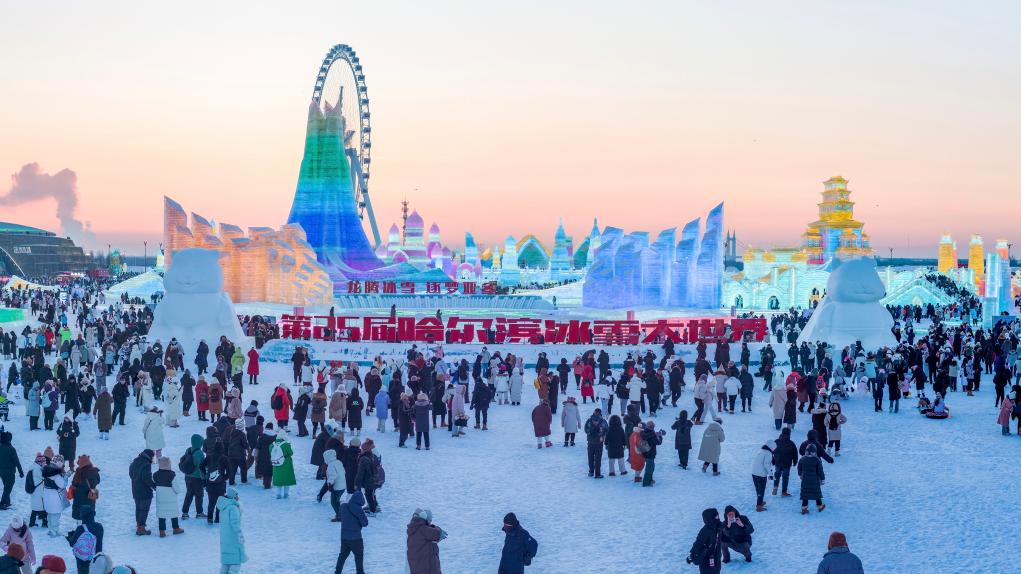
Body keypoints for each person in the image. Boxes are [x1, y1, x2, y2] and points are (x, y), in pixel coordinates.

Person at [335, 490, 367, 574]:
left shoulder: (343, 506)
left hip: (344, 538)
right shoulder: (359, 510)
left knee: (342, 556)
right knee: (359, 556)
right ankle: (360, 572)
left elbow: (339, 517)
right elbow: (365, 523)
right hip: (356, 538)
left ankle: (337, 572)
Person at [217, 487, 247, 574]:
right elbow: (235, 523)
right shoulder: (233, 508)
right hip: (233, 538)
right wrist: (240, 534)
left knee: (226, 562)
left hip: (224, 538)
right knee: (236, 562)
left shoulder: (224, 507)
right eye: (237, 495)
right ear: (233, 496)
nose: (238, 497)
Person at [406, 508, 445, 574]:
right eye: (429, 520)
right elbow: (437, 534)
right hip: (427, 570)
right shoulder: (423, 530)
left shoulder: (412, 531)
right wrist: (437, 528)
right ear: (424, 519)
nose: (430, 522)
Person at [65, 507, 102, 573]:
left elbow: (72, 543)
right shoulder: (99, 527)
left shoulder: (81, 528)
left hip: (82, 560)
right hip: (96, 558)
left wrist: (70, 537)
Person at [152, 457, 183, 537]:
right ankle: (176, 529)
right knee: (173, 513)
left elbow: (155, 485)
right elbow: (177, 489)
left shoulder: (155, 475)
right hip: (171, 497)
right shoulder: (172, 475)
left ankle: (162, 532)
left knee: (161, 514)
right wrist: (177, 491)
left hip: (160, 498)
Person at [128, 449, 155, 536]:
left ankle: (139, 525)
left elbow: (131, 474)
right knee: (144, 509)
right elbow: (147, 478)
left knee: (138, 508)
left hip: (135, 489)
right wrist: (155, 487)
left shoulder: (134, 462)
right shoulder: (146, 464)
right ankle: (141, 529)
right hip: (144, 491)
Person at [687, 508, 722, 574]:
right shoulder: (705, 531)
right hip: (706, 560)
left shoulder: (719, 526)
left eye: (718, 515)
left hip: (717, 557)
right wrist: (692, 555)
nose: (718, 517)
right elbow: (698, 543)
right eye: (716, 516)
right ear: (711, 518)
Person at [181, 434, 206, 519]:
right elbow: (200, 467)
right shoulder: (199, 453)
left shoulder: (188, 450)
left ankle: (185, 513)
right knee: (199, 495)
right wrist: (204, 479)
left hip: (187, 476)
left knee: (189, 494)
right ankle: (199, 513)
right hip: (197, 478)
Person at [797, 444, 826, 514]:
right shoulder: (816, 460)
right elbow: (820, 471)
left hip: (805, 480)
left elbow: (799, 468)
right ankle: (820, 506)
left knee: (805, 493)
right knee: (816, 493)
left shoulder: (802, 459)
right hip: (815, 480)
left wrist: (800, 474)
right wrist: (823, 478)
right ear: (814, 451)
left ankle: (804, 508)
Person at [772, 427, 798, 497]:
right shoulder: (791, 443)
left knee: (777, 474)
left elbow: (771, 452)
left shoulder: (776, 441)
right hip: (787, 463)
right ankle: (784, 492)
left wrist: (773, 460)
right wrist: (795, 461)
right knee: (785, 477)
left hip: (777, 462)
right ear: (789, 434)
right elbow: (795, 453)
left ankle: (775, 487)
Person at [270, 429, 296, 499]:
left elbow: (270, 452)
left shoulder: (272, 444)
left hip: (276, 463)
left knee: (278, 479)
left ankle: (278, 494)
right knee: (286, 479)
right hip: (286, 463)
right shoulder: (286, 444)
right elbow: (291, 453)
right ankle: (286, 494)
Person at [0, 432, 23, 510]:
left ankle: (7, 502)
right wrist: (20, 471)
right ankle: (2, 503)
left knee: (6, 487)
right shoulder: (11, 449)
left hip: (1, 472)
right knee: (8, 488)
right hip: (9, 472)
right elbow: (16, 461)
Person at [583, 408, 607, 478]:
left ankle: (591, 472)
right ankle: (597, 474)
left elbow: (586, 429)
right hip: (599, 442)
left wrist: (590, 433)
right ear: (600, 413)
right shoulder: (602, 421)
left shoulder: (589, 420)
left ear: (594, 412)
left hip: (590, 442)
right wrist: (601, 434)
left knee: (590, 457)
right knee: (598, 458)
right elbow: (606, 429)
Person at [639, 421, 664, 486]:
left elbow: (645, 437)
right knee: (650, 469)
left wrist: (655, 434)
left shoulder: (643, 432)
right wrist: (660, 436)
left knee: (650, 467)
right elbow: (658, 442)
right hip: (651, 454)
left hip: (645, 452)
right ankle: (646, 483)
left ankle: (650, 480)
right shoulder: (652, 434)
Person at [751, 441, 773, 512]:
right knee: (761, 490)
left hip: (754, 473)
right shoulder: (768, 453)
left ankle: (760, 502)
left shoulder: (761, 451)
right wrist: (771, 474)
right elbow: (767, 464)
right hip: (761, 475)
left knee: (758, 489)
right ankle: (759, 507)